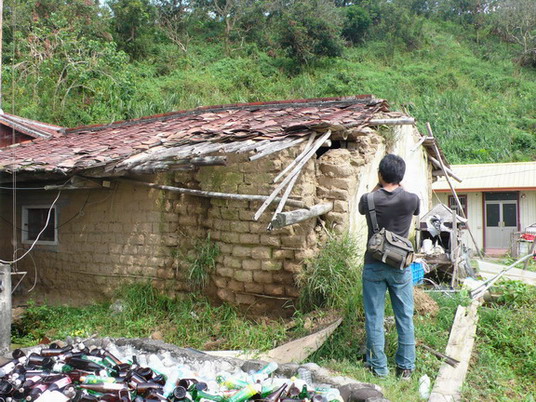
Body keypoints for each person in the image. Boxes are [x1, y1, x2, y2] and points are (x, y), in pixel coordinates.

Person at [358, 154, 420, 380]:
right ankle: (405, 368)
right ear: (401, 176)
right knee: (404, 316)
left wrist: (378, 183)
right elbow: (414, 210)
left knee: (374, 316)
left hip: (373, 264)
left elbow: (363, 207)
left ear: (380, 174)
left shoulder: (368, 199)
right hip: (400, 266)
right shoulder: (412, 199)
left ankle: (379, 368)